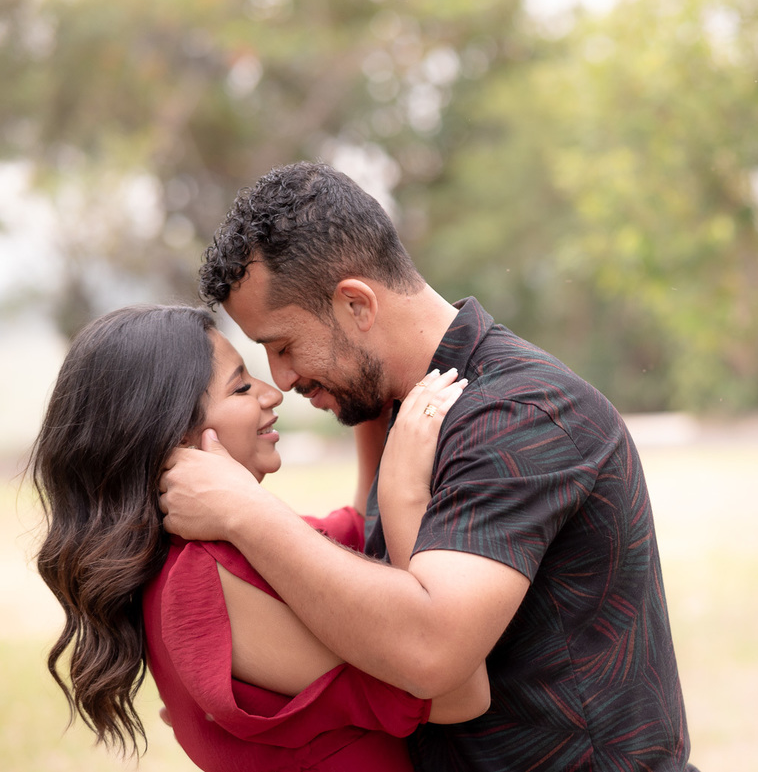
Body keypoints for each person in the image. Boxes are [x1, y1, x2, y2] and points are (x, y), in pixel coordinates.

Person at [159, 161, 698, 770]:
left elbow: (431, 652)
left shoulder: (519, 416)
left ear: (356, 304)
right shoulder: (397, 410)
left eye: (283, 346)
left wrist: (241, 510)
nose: (280, 380)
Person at [30, 304, 487, 771]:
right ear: (171, 432)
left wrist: (369, 392)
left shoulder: (205, 550)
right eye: (242, 387)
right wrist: (405, 491)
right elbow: (457, 693)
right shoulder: (204, 577)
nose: (274, 393)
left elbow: (356, 532)